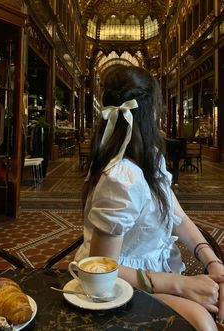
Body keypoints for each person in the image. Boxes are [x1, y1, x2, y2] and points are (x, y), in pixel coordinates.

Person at [75, 65, 224, 331]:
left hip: (153, 278)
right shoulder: (121, 178)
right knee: (202, 323)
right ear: (150, 111)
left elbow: (178, 217)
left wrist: (212, 262)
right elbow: (101, 270)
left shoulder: (151, 158)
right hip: (115, 289)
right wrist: (182, 285)